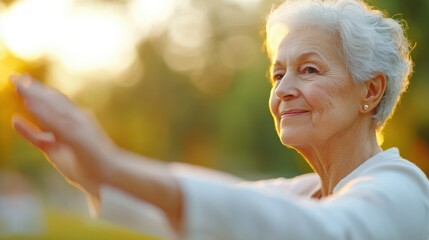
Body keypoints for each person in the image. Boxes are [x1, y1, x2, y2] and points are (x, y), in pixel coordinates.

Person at [9, 0, 429, 239]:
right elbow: (209, 208)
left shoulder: (402, 188)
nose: (282, 90)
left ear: (370, 91)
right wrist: (92, 175)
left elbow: (312, 231)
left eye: (309, 70)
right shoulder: (306, 192)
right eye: (277, 73)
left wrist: (113, 165)